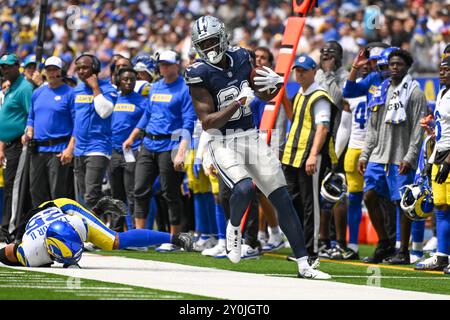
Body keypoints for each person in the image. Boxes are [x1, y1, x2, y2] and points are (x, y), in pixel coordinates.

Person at [185, 15, 330, 279]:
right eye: (203, 44)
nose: (209, 49)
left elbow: (261, 93)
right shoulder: (198, 73)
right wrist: (238, 103)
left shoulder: (242, 57)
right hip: (221, 141)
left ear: (223, 37)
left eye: (212, 42)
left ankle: (304, 264)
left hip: (250, 136)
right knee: (243, 188)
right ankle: (234, 228)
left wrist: (271, 86)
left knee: (282, 200)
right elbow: (207, 122)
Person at [358, 49, 427, 264]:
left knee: (401, 204)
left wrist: (410, 156)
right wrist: (365, 154)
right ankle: (385, 243)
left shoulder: (414, 92)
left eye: (399, 64)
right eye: (391, 64)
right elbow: (372, 126)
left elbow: (418, 129)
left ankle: (403, 251)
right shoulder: (380, 90)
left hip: (400, 156)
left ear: (407, 67)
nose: (394, 68)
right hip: (378, 154)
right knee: (369, 195)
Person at [124, 50, 197, 252]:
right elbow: (147, 115)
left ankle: (174, 240)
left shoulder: (184, 89)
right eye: (161, 65)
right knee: (139, 189)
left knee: (170, 193)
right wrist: (132, 136)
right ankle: (140, 238)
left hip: (170, 145)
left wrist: (181, 152)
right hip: (149, 143)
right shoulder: (155, 87)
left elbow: (188, 123)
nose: (164, 68)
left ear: (176, 66)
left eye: (168, 64)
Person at [0, 197, 193, 268]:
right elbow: (5, 253)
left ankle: (176, 237)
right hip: (38, 217)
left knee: (113, 241)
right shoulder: (31, 253)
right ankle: (98, 210)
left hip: (65, 209)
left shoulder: (77, 224)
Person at [282, 54, 338, 262]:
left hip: (308, 155)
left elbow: (322, 129)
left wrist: (313, 155)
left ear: (314, 72)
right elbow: (293, 118)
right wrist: (282, 98)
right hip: (294, 154)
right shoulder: (300, 92)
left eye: (304, 70)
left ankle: (311, 252)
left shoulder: (319, 96)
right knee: (295, 202)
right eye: (297, 70)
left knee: (310, 205)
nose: (300, 74)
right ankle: (301, 249)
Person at [22, 56, 75, 207]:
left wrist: (70, 149)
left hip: (58, 151)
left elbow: (77, 124)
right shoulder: (38, 93)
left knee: (57, 195)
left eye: (55, 70)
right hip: (38, 150)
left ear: (60, 71)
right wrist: (29, 131)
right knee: (36, 192)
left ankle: (59, 227)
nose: (51, 73)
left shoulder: (70, 93)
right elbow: (31, 117)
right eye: (49, 70)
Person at [415, 56, 450, 273]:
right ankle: (442, 255)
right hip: (440, 153)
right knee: (441, 207)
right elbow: (442, 131)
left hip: (449, 155)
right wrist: (431, 160)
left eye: (447, 69)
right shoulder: (442, 93)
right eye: (441, 68)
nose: (442, 72)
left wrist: (448, 159)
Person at [73, 53, 118, 210]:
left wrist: (95, 88)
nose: (81, 71)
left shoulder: (107, 88)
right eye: (78, 68)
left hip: (98, 148)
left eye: (85, 67)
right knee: (82, 196)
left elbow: (105, 111)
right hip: (79, 149)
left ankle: (95, 232)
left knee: (91, 195)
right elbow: (75, 121)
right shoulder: (77, 90)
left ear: (95, 68)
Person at [108, 67, 146, 231]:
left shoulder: (142, 101)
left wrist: (134, 138)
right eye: (125, 79)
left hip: (132, 151)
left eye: (132, 79)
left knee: (131, 192)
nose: (129, 82)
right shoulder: (113, 99)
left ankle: (132, 231)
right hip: (113, 151)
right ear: (118, 80)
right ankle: (116, 230)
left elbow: (145, 124)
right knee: (116, 193)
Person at [0, 53, 34, 242]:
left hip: (19, 145)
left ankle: (10, 229)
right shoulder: (11, 87)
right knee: (10, 186)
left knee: (15, 187)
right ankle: (8, 226)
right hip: (9, 144)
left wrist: (27, 132)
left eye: (8, 66)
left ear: (17, 67)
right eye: (2, 67)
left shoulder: (24, 88)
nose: (5, 70)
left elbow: (32, 113)